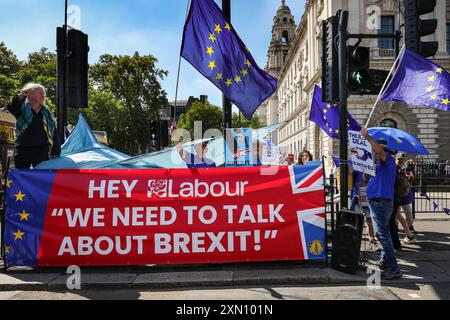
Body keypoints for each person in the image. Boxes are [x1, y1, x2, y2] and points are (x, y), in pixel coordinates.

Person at [361, 128, 401, 279]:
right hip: (377, 201)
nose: (375, 151)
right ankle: (385, 261)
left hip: (381, 202)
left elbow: (379, 150)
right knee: (385, 232)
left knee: (381, 234)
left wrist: (368, 137)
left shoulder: (387, 158)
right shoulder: (379, 163)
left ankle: (393, 266)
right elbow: (368, 178)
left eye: (376, 149)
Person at [6, 83, 60, 169]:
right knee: (22, 177)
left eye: (44, 94)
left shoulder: (46, 112)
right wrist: (21, 96)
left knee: (42, 177)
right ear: (29, 94)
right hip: (22, 149)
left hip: (42, 150)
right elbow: (11, 110)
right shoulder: (21, 108)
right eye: (40, 93)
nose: (43, 96)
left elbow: (53, 131)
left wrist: (56, 150)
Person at [396, 154, 416, 241]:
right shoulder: (394, 169)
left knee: (407, 211)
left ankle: (410, 227)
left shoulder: (407, 169)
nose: (400, 162)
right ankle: (396, 226)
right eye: (399, 160)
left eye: (402, 160)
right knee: (397, 212)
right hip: (397, 193)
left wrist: (409, 176)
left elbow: (412, 178)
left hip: (404, 194)